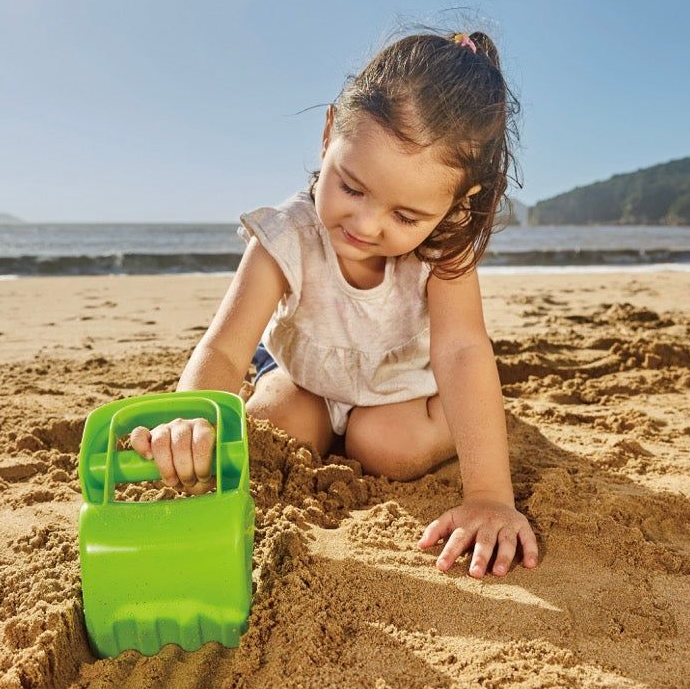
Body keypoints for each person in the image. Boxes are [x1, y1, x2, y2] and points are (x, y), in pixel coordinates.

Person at [129, 29, 539, 578]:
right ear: (329, 134)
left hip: (400, 389)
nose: (365, 225)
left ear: (456, 204)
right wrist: (190, 417)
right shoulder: (286, 236)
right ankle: (306, 411)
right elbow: (225, 349)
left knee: (383, 446)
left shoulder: (444, 250)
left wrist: (489, 495)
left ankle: (466, 419)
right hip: (308, 380)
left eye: (406, 216)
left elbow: (462, 351)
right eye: (351, 188)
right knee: (271, 426)